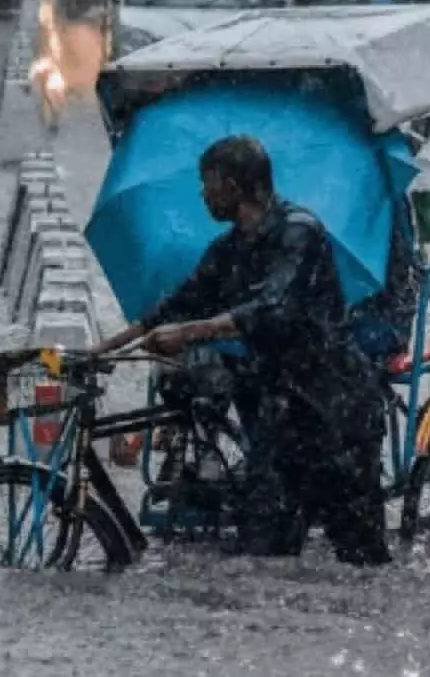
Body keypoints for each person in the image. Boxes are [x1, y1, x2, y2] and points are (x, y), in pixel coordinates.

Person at [91, 136, 392, 566]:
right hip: (280, 417)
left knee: (362, 562)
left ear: (233, 187)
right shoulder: (228, 250)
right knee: (265, 556)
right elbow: (177, 304)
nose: (202, 194)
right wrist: (102, 352)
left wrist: (191, 333)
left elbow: (272, 307)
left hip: (334, 413)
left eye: (207, 184)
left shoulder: (299, 233)